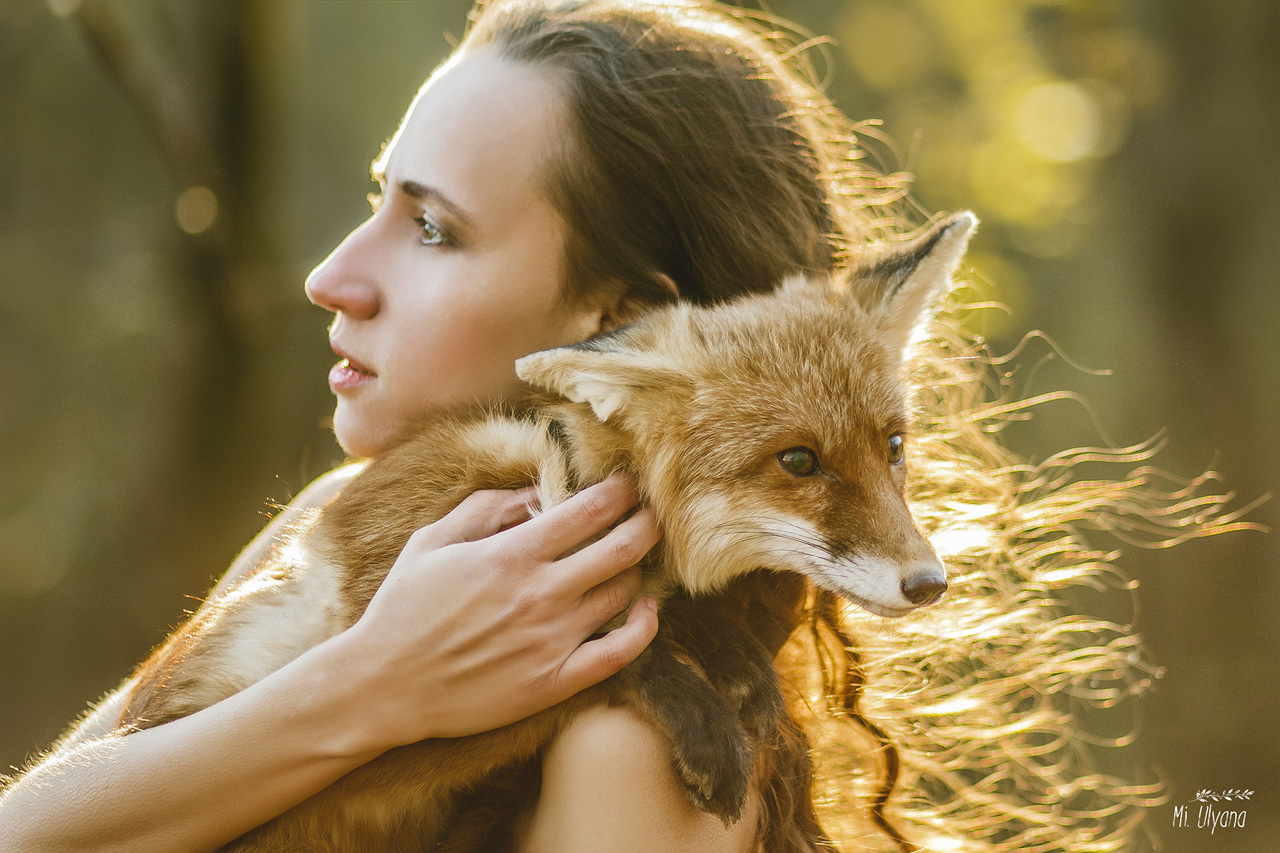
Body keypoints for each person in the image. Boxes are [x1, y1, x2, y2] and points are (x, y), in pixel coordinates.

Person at [0, 1, 1234, 851]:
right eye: (380, 200)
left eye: (430, 229)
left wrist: (374, 689)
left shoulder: (636, 748)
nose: (332, 276)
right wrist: (372, 686)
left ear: (625, 333)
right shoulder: (353, 526)